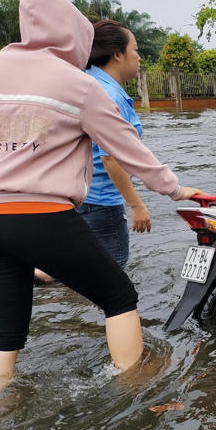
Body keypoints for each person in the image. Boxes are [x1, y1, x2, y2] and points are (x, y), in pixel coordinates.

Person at [0, 0, 203, 398]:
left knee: (4, 329)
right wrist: (175, 189)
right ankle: (134, 392)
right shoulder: (77, 84)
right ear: (75, 33)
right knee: (119, 295)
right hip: (39, 214)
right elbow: (127, 150)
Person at [74, 20, 151, 269]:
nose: (139, 57)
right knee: (114, 276)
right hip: (102, 201)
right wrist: (136, 205)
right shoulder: (110, 95)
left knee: (80, 265)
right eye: (135, 49)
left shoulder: (83, 83)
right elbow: (111, 157)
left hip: (76, 195)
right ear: (118, 55)